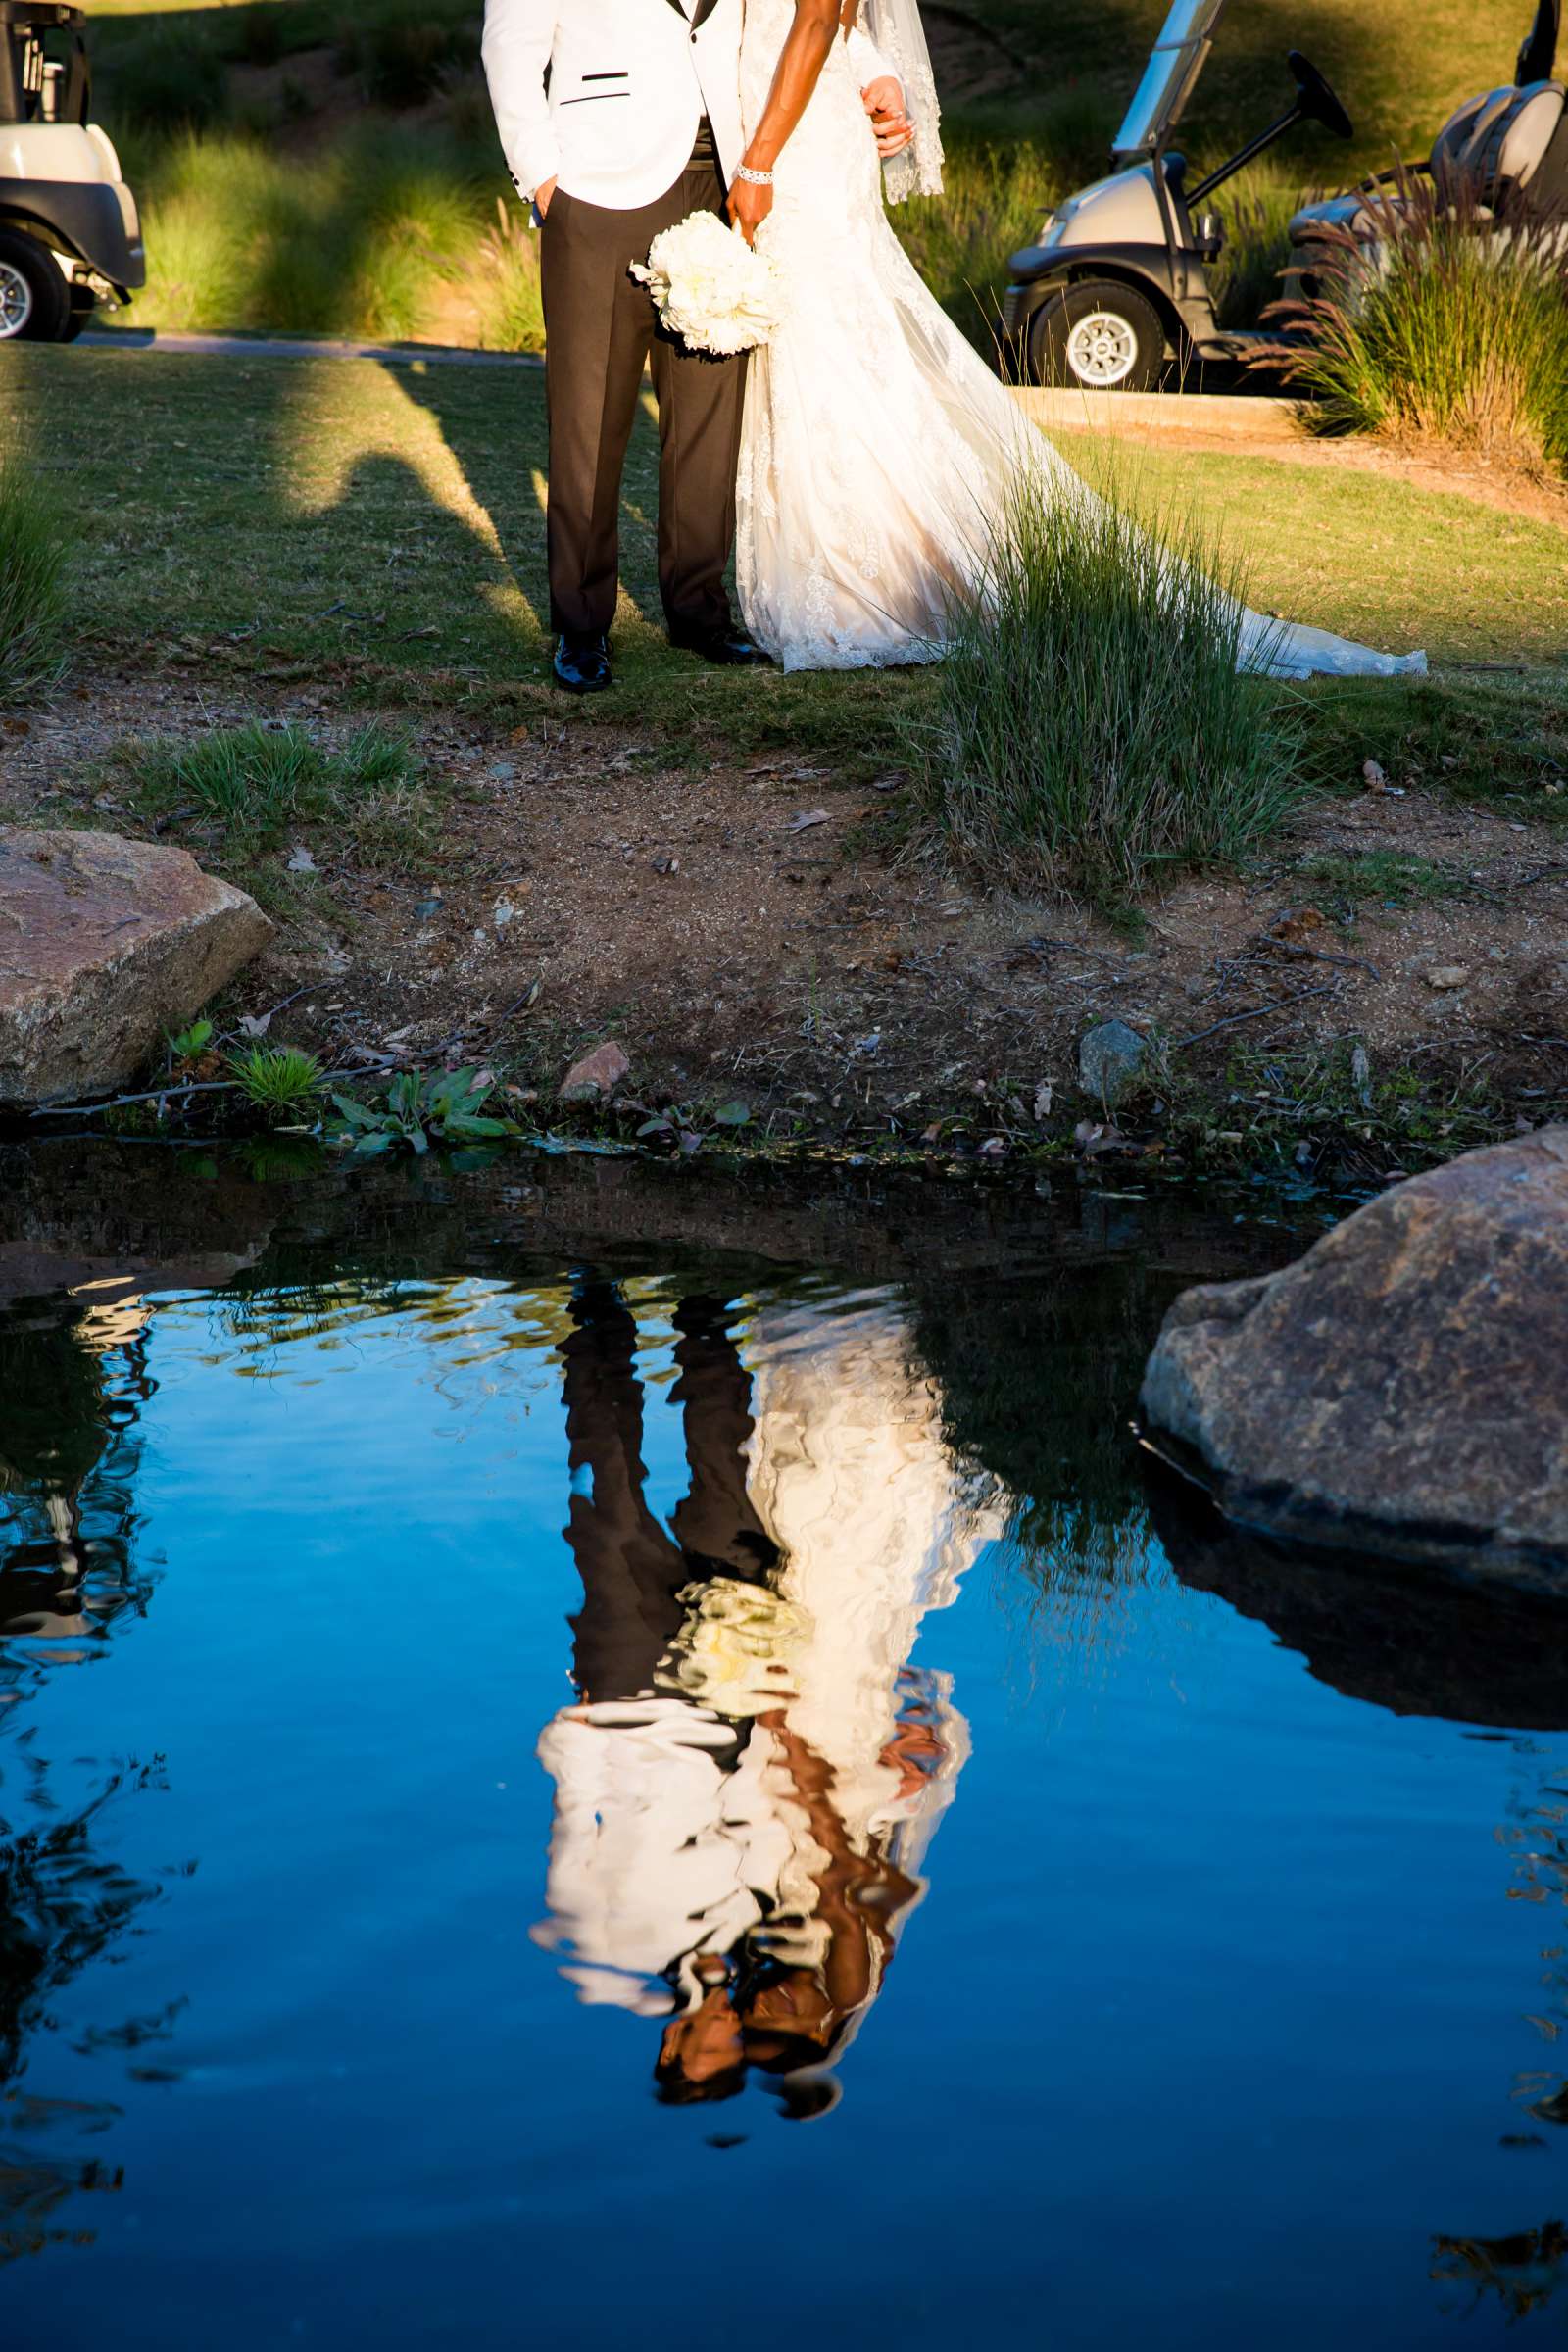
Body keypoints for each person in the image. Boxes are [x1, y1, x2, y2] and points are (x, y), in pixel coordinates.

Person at [727, 0, 1427, 680]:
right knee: (840, 342)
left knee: (837, 341)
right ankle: (865, 570)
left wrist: (760, 160)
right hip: (803, 121)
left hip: (790, 139)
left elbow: (822, 17)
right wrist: (875, 71)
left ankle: (859, 582)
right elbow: (841, 23)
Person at [480, 0, 914, 694]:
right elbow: (508, 46)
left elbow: (798, 12)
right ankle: (583, 623)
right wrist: (543, 184)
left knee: (710, 415)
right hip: (596, 186)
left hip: (724, 175)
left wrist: (872, 69)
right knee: (589, 419)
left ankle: (698, 611)